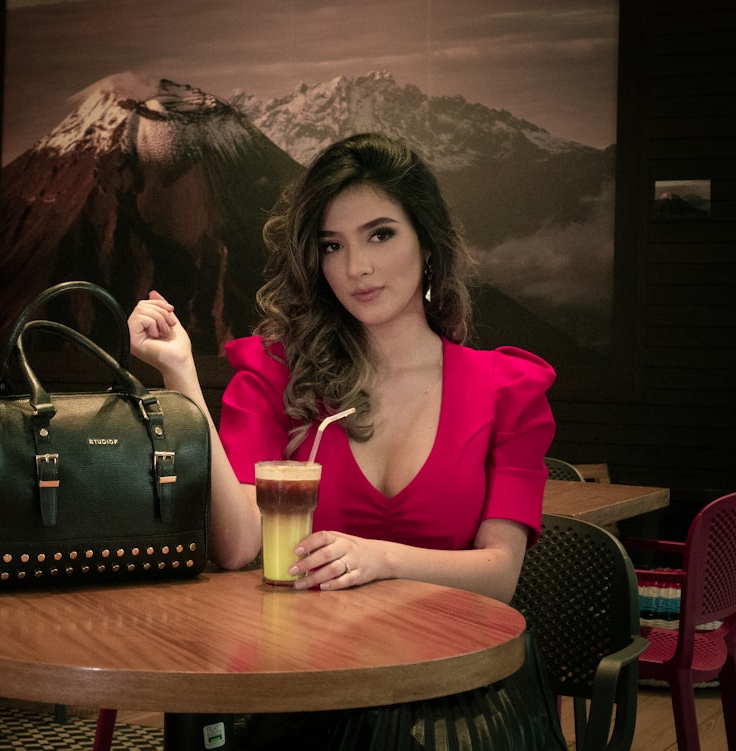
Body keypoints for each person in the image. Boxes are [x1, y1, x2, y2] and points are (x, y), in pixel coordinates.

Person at [128, 132, 564, 750]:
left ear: (428, 241)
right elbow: (236, 546)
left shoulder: (507, 390)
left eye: (380, 234)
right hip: (317, 682)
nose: (356, 267)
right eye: (333, 246)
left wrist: (379, 559)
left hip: (459, 696)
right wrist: (180, 375)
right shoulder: (279, 374)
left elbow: (500, 576)